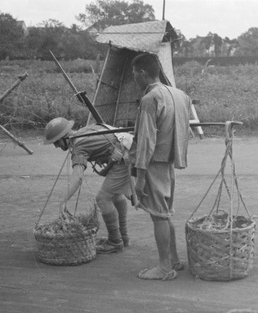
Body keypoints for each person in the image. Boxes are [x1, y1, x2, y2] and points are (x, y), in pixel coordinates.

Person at [130, 53, 192, 281]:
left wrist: (139, 178)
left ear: (143, 73)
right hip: (168, 162)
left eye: (135, 74)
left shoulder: (150, 99)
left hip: (154, 163)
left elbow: (146, 141)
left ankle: (165, 267)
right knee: (164, 214)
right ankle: (173, 259)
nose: (134, 78)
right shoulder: (179, 95)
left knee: (158, 216)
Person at [43, 118, 131, 254]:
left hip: (124, 157)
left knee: (103, 198)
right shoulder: (84, 131)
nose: (56, 146)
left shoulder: (78, 146)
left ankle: (115, 241)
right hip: (127, 151)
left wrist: (63, 201)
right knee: (115, 194)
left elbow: (77, 177)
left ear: (64, 137)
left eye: (56, 142)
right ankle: (123, 237)